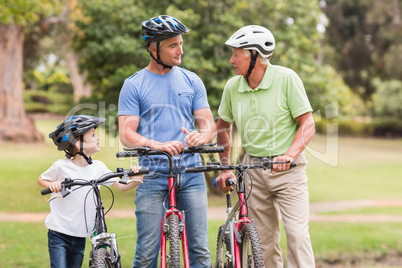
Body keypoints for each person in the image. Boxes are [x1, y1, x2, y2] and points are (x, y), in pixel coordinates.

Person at [118, 15, 216, 267]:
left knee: (200, 253)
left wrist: (201, 136)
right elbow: (127, 135)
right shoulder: (134, 85)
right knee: (147, 255)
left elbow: (207, 123)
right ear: (153, 48)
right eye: (173, 45)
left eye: (180, 43)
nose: (180, 50)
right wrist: (157, 145)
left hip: (192, 174)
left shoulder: (192, 80)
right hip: (152, 175)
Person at [215, 25, 316, 267]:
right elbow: (223, 129)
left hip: (288, 170)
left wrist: (290, 155)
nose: (231, 60)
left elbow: (308, 124)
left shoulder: (286, 79)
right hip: (252, 170)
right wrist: (226, 168)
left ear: (256, 56)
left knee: (298, 236)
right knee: (263, 242)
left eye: (236, 54)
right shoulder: (232, 87)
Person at [38, 115, 144, 268]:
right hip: (59, 233)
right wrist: (53, 184)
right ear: (79, 143)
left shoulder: (98, 167)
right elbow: (42, 179)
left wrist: (137, 178)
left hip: (81, 235)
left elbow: (121, 185)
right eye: (93, 135)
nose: (98, 138)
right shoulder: (61, 166)